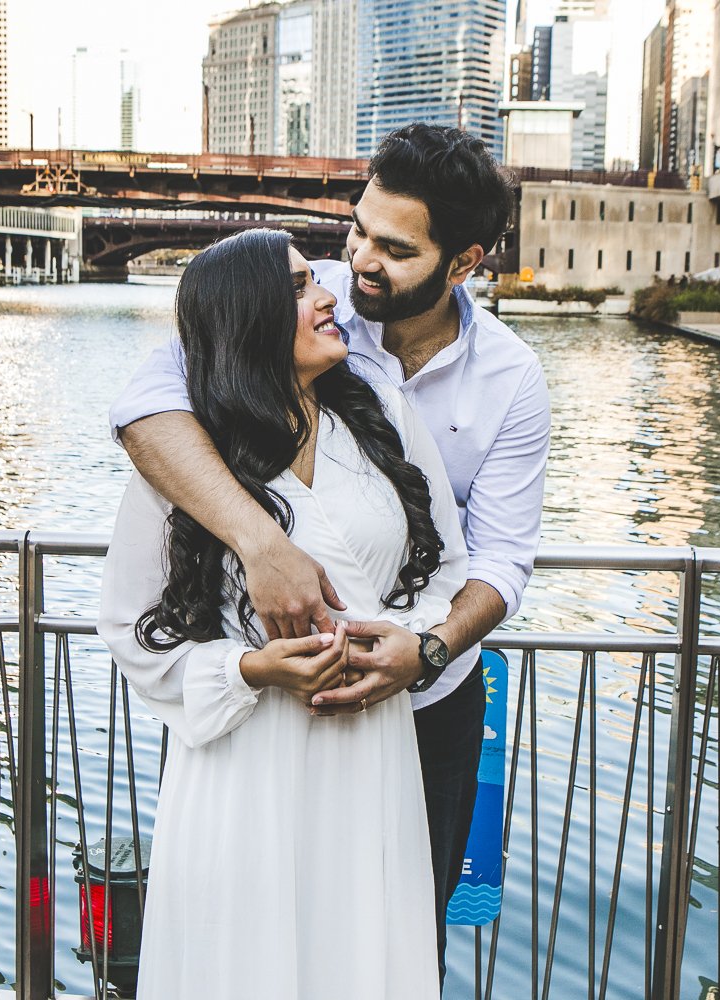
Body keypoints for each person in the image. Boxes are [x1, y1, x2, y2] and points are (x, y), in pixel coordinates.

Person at [108, 123, 551, 976]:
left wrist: (421, 651)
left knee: (390, 933)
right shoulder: (302, 308)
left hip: (423, 709)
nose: (358, 262)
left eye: (392, 246)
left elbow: (497, 561)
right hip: (261, 732)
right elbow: (148, 408)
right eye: (356, 230)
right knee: (249, 943)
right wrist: (258, 538)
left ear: (463, 263)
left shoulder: (512, 378)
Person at [99, 228, 467, 998]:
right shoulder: (192, 461)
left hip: (371, 752)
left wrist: (412, 644)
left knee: (364, 956)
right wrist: (247, 668)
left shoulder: (383, 421)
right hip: (245, 766)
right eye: (300, 287)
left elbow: (450, 574)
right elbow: (129, 628)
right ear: (249, 318)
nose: (330, 295)